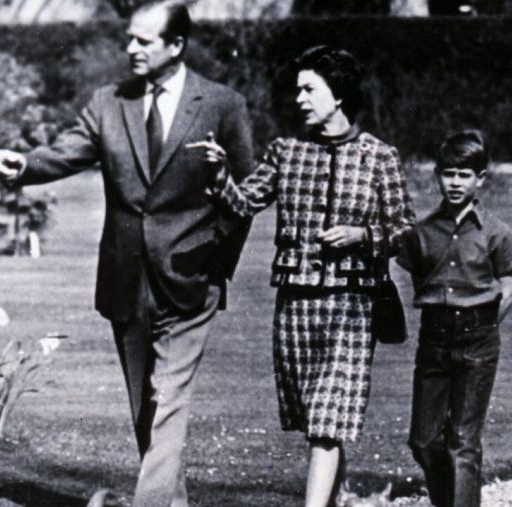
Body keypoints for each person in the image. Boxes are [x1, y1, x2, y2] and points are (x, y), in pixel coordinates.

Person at [0, 2, 253, 505]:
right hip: (125, 277)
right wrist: (23, 167)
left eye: (143, 41)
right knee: (145, 408)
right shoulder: (108, 103)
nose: (130, 49)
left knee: (168, 398)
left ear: (176, 45)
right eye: (129, 39)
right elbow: (67, 150)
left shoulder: (221, 105)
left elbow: (249, 192)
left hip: (191, 281)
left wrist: (217, 266)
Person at [191, 45, 414, 507]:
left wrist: (363, 234)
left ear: (339, 94)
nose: (300, 99)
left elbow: (406, 233)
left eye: (309, 89)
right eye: (298, 90)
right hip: (295, 306)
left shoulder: (379, 156)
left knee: (327, 423)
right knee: (318, 422)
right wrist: (218, 175)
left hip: (353, 307)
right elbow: (242, 204)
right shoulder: (285, 153)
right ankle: (340, 499)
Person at [395, 130, 512, 507]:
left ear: (480, 179)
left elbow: (508, 287)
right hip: (434, 340)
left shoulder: (495, 232)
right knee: (422, 439)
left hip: (478, 340)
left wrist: (482, 325)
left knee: (462, 442)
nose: (455, 182)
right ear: (438, 175)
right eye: (448, 173)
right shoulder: (422, 232)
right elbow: (418, 277)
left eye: (464, 174)